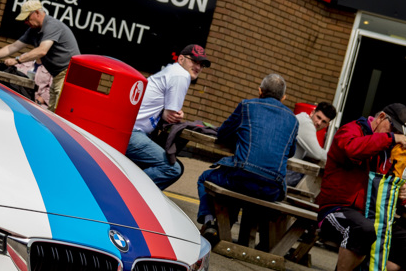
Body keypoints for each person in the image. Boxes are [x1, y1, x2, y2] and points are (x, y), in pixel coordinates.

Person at [316, 103, 406, 271]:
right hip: (336, 209)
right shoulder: (350, 130)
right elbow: (352, 150)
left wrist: (402, 193)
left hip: (369, 216)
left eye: (397, 134)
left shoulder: (386, 148)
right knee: (362, 228)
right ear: (381, 117)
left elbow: (386, 190)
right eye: (392, 130)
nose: (394, 136)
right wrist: (390, 139)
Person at [197, 73, 299, 245]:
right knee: (244, 186)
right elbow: (291, 152)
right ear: (284, 97)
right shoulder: (293, 120)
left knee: (205, 178)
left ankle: (209, 223)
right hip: (273, 189)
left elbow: (223, 133)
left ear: (260, 91)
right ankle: (231, 230)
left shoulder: (247, 106)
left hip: (242, 179)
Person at [127, 44, 211, 190]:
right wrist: (172, 113)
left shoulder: (171, 70)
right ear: (181, 59)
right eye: (194, 61)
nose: (198, 67)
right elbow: (172, 116)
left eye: (202, 64)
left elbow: (170, 113)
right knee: (172, 169)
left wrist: (169, 113)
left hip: (130, 129)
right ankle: (125, 191)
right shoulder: (181, 75)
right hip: (132, 133)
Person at [0, 0, 80, 109]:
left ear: (37, 12)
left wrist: (17, 60)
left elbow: (42, 50)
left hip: (69, 74)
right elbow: (13, 47)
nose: (26, 22)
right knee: (53, 110)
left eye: (27, 18)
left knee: (59, 110)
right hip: (58, 75)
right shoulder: (33, 30)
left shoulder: (51, 26)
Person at [285, 101, 336, 187]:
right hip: (281, 171)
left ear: (327, 124)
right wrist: (337, 157)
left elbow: (311, 152)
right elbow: (318, 154)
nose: (319, 123)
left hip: (282, 168)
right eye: (318, 117)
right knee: (317, 177)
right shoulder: (306, 123)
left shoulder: (302, 119)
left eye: (324, 121)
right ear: (312, 112)